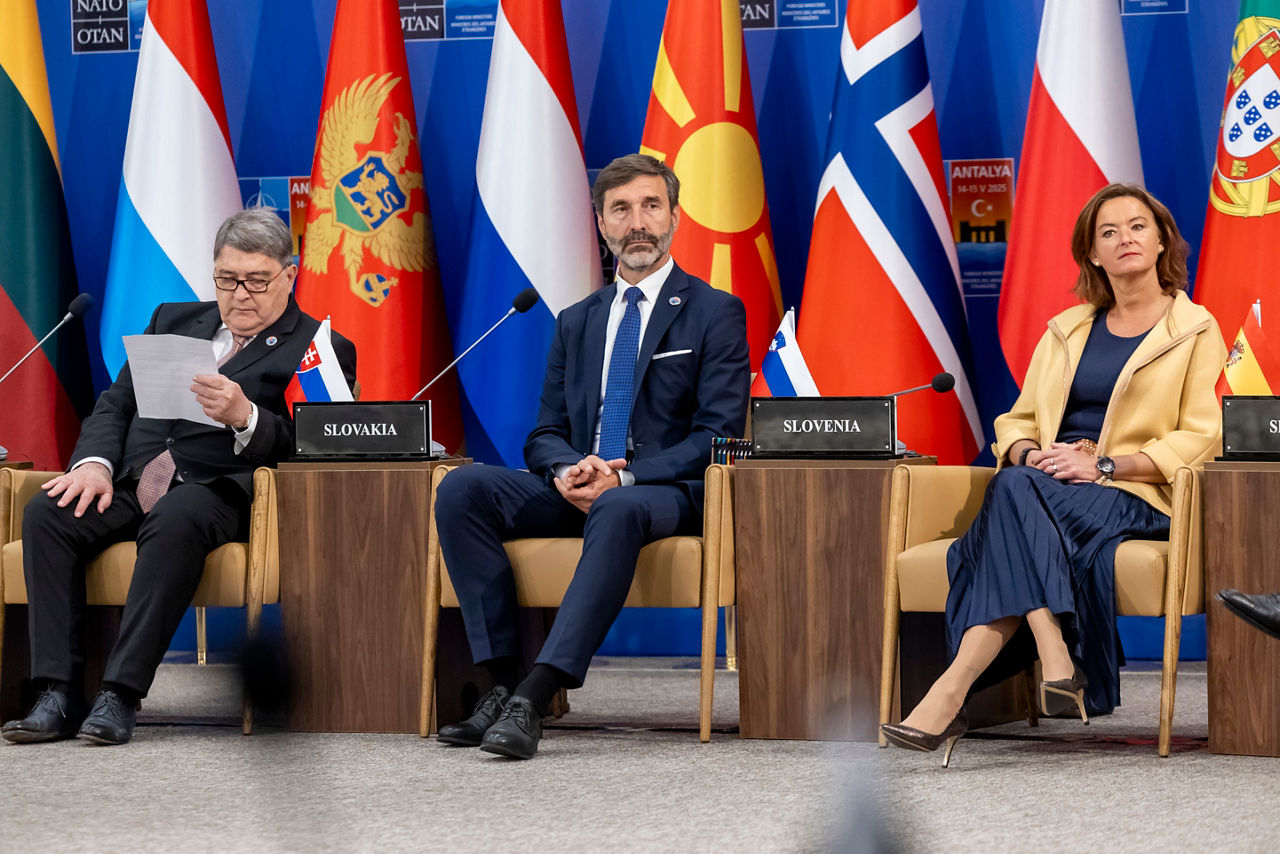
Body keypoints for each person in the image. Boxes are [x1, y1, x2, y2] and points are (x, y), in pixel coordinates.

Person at [881, 184, 1225, 766]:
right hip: (1048, 484)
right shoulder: (1066, 330)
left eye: (1137, 227)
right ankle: (1048, 653)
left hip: (1138, 491)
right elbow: (1015, 419)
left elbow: (1203, 434)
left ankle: (965, 683)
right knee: (1016, 484)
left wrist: (1104, 464)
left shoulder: (1195, 329)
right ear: (1092, 254)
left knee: (1008, 501)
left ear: (1161, 238)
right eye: (1108, 233)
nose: (1125, 240)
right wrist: (1027, 453)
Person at [432, 153, 750, 759]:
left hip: (665, 492)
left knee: (619, 507)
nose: (638, 223)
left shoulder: (713, 312)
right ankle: (501, 684)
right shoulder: (577, 320)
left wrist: (621, 473)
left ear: (675, 218)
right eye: (621, 209)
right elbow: (543, 432)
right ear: (602, 224)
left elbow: (716, 435)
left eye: (651, 206)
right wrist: (564, 468)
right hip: (583, 482)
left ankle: (537, 690)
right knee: (462, 489)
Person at [2, 208, 356, 746]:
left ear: (290, 274)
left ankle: (120, 693)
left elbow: (322, 449)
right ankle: (56, 691)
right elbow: (116, 405)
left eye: (258, 280)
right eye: (227, 279)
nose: (241, 294)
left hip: (222, 491)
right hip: (133, 481)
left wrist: (248, 419)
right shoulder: (171, 318)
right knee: (48, 513)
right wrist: (94, 465)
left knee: (177, 515)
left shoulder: (318, 347)